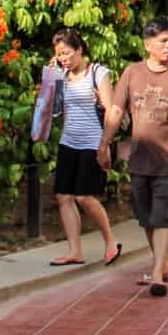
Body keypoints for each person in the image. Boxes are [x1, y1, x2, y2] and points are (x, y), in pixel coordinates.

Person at [98, 19, 168, 297]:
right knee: (146, 217)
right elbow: (117, 112)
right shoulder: (132, 73)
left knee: (164, 216)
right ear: (148, 45)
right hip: (140, 160)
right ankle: (162, 261)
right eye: (163, 41)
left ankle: (157, 273)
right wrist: (104, 144)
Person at [44, 29, 122, 267]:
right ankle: (74, 251)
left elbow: (111, 110)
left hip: (92, 142)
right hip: (69, 141)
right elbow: (53, 108)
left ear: (79, 49)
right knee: (64, 197)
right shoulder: (61, 75)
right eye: (59, 55)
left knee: (84, 196)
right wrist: (51, 76)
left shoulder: (98, 73)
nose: (63, 59)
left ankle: (111, 242)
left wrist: (105, 145)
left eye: (66, 53)